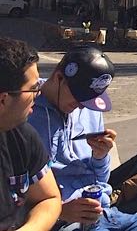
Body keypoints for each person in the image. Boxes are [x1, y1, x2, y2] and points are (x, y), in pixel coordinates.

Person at [28, 47, 137, 231]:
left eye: (89, 100)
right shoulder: (25, 112)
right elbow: (14, 192)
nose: (80, 106)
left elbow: (100, 178)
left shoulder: (87, 110)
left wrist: (100, 157)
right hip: (61, 221)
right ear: (59, 77)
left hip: (105, 213)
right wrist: (59, 210)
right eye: (79, 97)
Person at [0, 37, 61, 231]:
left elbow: (49, 198)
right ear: (3, 99)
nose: (39, 93)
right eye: (33, 89)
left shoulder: (22, 134)